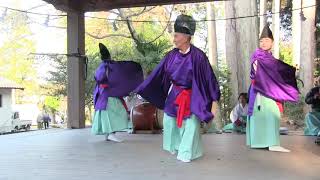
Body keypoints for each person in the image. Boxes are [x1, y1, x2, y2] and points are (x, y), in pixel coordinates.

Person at [135, 14, 220, 163]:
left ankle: (186, 153)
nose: (174, 39)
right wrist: (144, 89)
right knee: (169, 121)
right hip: (175, 94)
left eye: (176, 35)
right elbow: (157, 74)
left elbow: (209, 78)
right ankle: (179, 147)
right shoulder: (171, 56)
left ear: (186, 37)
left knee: (191, 125)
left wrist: (214, 100)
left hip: (192, 95)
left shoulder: (199, 57)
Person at [246, 24, 299, 153]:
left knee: (271, 115)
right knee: (268, 114)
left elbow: (277, 70)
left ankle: (268, 142)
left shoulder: (270, 58)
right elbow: (257, 71)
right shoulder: (258, 54)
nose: (263, 43)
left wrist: (290, 71)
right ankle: (269, 143)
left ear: (272, 43)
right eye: (261, 41)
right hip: (260, 90)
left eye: (267, 40)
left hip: (269, 90)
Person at [92, 43, 143, 142]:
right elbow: (117, 73)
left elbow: (99, 78)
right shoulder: (109, 66)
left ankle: (108, 134)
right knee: (115, 114)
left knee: (107, 115)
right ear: (108, 56)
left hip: (104, 95)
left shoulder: (103, 66)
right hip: (108, 96)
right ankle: (111, 134)